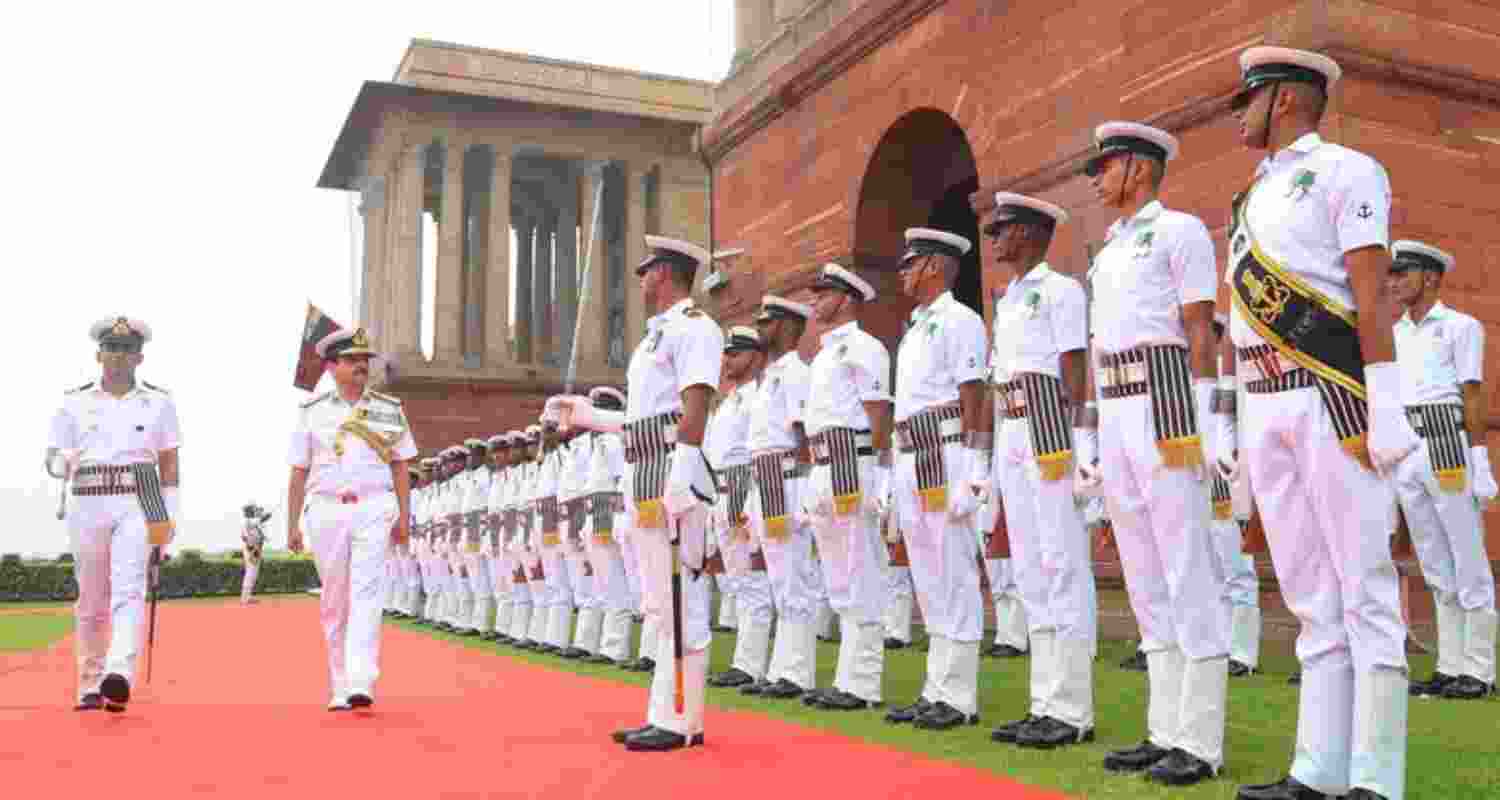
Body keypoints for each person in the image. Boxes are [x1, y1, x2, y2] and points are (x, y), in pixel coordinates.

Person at [1223, 47, 1412, 800]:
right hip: (1265, 401)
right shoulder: (1249, 196)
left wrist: (1386, 402)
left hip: (1333, 398)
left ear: (1284, 99)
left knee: (1364, 586)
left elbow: (1370, 295)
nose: (1239, 113)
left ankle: (1375, 780)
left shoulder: (1346, 169)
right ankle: (1317, 771)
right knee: (1308, 597)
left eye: (1248, 98)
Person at [1084, 120, 1227, 784]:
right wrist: (1088, 433)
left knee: (1185, 566)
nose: (1099, 179)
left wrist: (1208, 417)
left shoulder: (1180, 231)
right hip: (1115, 406)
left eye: (1105, 167)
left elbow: (1200, 329)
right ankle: (1163, 729)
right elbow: (1096, 348)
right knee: (1142, 570)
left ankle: (1199, 740)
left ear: (1138, 169)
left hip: (1167, 393)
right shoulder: (1107, 248)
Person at [551, 234, 722, 751]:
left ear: (666, 273)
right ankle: (664, 712)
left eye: (646, 270)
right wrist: (587, 416)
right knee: (658, 600)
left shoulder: (696, 329)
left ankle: (683, 720)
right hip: (644, 470)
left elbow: (696, 404)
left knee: (680, 595)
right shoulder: (654, 338)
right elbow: (641, 419)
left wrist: (684, 471)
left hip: (670, 471)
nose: (642, 280)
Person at [982, 193, 1097, 749]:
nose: (994, 240)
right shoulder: (1008, 299)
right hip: (1011, 425)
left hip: (1049, 423)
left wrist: (1083, 447)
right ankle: (1044, 701)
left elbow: (1075, 373)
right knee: (1030, 568)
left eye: (1000, 230)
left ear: (1028, 233)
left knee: (1062, 564)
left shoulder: (1061, 290)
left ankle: (1071, 709)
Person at [882, 228, 990, 731]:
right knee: (927, 578)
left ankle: (959, 695)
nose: (903, 272)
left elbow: (973, 397)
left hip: (946, 453)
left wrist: (973, 465)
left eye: (910, 264)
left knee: (954, 574)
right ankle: (937, 689)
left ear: (934, 267)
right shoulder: (916, 327)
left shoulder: (960, 321)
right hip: (912, 453)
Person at [48, 316, 181, 712]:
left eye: (127, 350)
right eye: (112, 348)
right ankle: (89, 680)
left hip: (138, 499)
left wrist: (168, 519)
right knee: (91, 596)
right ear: (98, 354)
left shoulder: (159, 402)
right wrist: (62, 462)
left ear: (139, 357)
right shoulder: (73, 401)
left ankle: (118, 672)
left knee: (129, 588)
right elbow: (53, 457)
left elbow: (169, 464)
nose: (119, 356)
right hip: (88, 498)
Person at [1388, 240, 1497, 699]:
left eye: (1403, 274)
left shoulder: (1460, 327)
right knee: (1434, 564)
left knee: (1468, 561)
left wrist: (1479, 457)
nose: (1394, 282)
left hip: (1447, 441)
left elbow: (1472, 393)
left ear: (1430, 277)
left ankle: (1480, 670)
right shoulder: (1394, 334)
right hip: (1407, 445)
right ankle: (1450, 666)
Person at [287, 327, 416, 711]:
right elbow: (298, 471)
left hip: (374, 508)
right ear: (331, 366)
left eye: (365, 360)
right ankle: (339, 683)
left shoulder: (387, 410)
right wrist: (291, 524)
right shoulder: (312, 413)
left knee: (367, 593)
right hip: (326, 509)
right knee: (335, 599)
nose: (361, 365)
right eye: (352, 360)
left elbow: (401, 466)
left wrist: (405, 518)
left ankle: (362, 679)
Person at [801, 263, 895, 711]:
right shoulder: (821, 355)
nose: (814, 301)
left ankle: (864, 683)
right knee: (838, 577)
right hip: (823, 461)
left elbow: (878, 415)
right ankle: (847, 679)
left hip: (851, 462)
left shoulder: (865, 347)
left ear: (845, 297)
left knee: (860, 571)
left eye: (822, 294)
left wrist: (875, 476)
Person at [742, 295, 819, 700]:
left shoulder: (794, 372)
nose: (760, 326)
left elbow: (803, 433)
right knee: (778, 579)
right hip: (765, 479)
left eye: (766, 320)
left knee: (794, 578)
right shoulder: (770, 374)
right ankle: (781, 668)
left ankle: (797, 672)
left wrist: (805, 491)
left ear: (788, 325)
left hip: (787, 479)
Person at [706, 326, 776, 689]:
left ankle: (751, 665)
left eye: (735, 353)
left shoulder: (756, 397)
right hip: (720, 490)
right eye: (726, 354)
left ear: (754, 356)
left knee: (752, 582)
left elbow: (754, 454)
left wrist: (749, 502)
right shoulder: (729, 400)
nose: (727, 360)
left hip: (742, 488)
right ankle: (744, 661)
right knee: (736, 583)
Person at [582, 388, 635, 664]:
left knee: (615, 584)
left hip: (608, 512)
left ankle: (615, 647)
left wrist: (614, 519)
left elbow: (619, 481)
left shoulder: (611, 440)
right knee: (606, 585)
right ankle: (608, 645)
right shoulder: (595, 443)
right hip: (595, 512)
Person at [242, 503, 271, 605]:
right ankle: (245, 598)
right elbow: (261, 519)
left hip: (255, 549)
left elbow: (263, 534)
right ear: (249, 511)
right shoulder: (248, 521)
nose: (255, 511)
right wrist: (265, 516)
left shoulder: (252, 522)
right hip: (251, 549)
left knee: (253, 574)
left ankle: (247, 597)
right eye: (254, 509)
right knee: (251, 573)